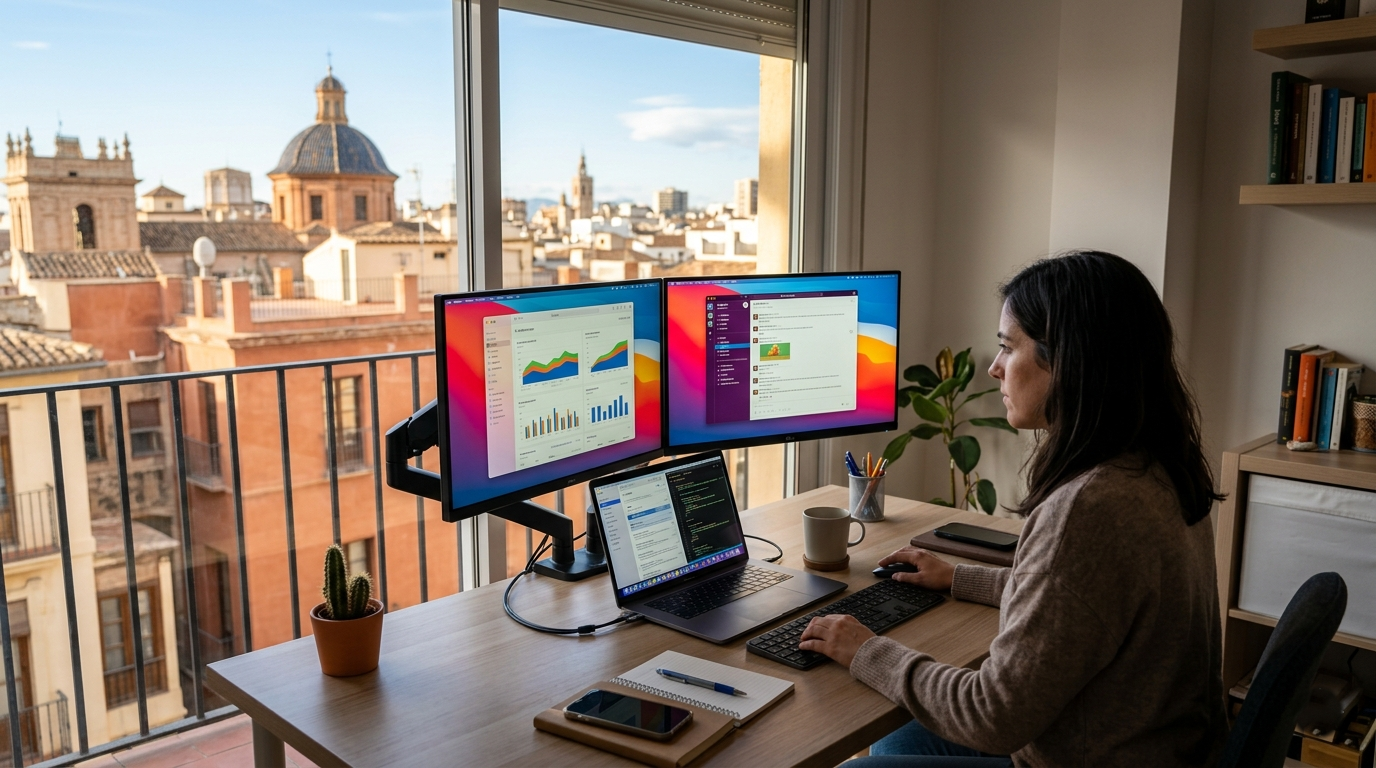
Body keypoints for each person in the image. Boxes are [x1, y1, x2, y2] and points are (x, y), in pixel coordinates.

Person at [799, 251, 1227, 767]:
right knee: (900, 738)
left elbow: (991, 714)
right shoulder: (1156, 464)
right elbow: (1082, 600)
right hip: (1153, 745)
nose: (994, 367)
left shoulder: (1091, 507)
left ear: (1068, 358)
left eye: (1007, 347)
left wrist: (864, 649)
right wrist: (961, 577)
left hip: (1082, 756)